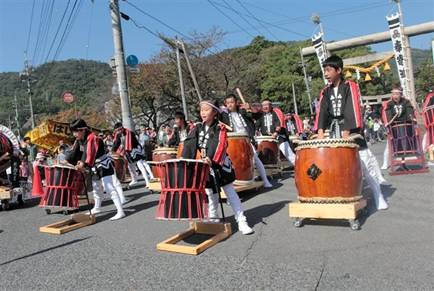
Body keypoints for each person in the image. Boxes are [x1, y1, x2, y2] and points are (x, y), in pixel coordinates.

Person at [315, 55, 388, 210]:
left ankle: (378, 195)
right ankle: (343, 195)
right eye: (324, 70)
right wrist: (320, 130)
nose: (326, 73)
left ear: (339, 70)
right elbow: (322, 111)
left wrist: (347, 130)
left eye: (328, 70)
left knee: (364, 163)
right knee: (337, 165)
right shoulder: (325, 91)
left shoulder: (350, 86)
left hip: (351, 130)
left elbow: (352, 107)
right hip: (335, 130)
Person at [182, 100, 254, 235]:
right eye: (201, 110)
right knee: (211, 193)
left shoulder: (220, 128)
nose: (203, 113)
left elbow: (220, 144)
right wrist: (185, 159)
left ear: (215, 112)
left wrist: (210, 157)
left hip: (220, 163)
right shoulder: (197, 128)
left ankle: (242, 221)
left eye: (206, 110)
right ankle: (214, 219)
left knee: (229, 192)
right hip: (205, 165)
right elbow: (189, 144)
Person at [69, 119, 125, 220]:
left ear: (83, 130)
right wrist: (66, 162)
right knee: (96, 188)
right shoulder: (79, 140)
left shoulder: (93, 138)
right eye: (73, 132)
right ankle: (97, 208)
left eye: (75, 131)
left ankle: (120, 211)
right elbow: (74, 153)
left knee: (108, 188)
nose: (74, 134)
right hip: (94, 166)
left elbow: (89, 154)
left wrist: (83, 164)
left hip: (104, 165)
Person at [221, 94, 272, 188]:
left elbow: (258, 116)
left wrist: (250, 109)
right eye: (227, 103)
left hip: (246, 139)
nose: (230, 105)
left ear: (236, 103)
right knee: (233, 162)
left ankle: (265, 180)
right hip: (232, 142)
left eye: (232, 102)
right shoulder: (223, 115)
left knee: (255, 159)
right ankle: (235, 183)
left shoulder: (243, 112)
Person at [381, 85, 416, 170]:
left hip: (404, 125)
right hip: (393, 126)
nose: (395, 96)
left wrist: (412, 118)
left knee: (404, 144)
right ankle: (386, 163)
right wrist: (388, 122)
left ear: (400, 94)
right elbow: (386, 113)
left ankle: (403, 162)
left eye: (397, 94)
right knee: (390, 145)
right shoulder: (388, 103)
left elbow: (409, 111)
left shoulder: (406, 102)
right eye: (393, 94)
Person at [112, 122, 154, 187]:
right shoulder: (118, 135)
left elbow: (131, 144)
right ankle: (134, 179)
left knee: (141, 164)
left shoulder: (129, 133)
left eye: (119, 130)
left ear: (122, 128)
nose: (118, 132)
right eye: (117, 131)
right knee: (130, 166)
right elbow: (117, 144)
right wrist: (112, 151)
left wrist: (124, 148)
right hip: (128, 151)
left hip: (135, 149)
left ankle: (148, 180)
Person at [255, 99, 296, 165]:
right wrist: (255, 131)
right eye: (263, 105)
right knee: (256, 150)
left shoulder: (276, 112)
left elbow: (279, 124)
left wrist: (276, 132)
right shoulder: (260, 114)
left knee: (285, 150)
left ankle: (297, 164)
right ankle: (259, 166)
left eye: (267, 105)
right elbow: (257, 125)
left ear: (270, 105)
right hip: (265, 137)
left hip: (279, 136)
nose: (265, 107)